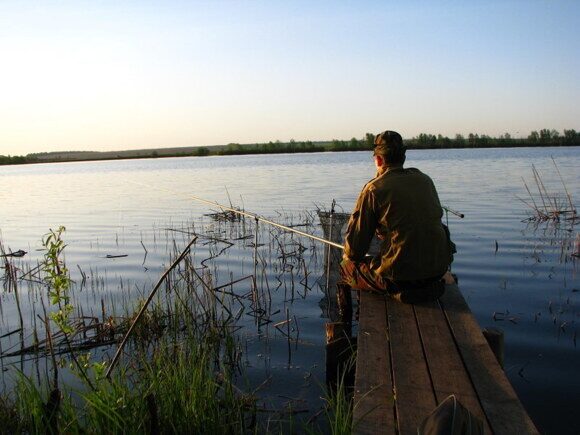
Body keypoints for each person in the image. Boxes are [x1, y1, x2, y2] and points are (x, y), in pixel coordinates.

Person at [339, 130, 454, 303]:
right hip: (436, 272)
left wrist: (349, 255)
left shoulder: (374, 189)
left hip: (399, 279)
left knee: (346, 267)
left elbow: (354, 251)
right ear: (403, 157)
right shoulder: (425, 180)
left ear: (378, 159)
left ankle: (397, 292)